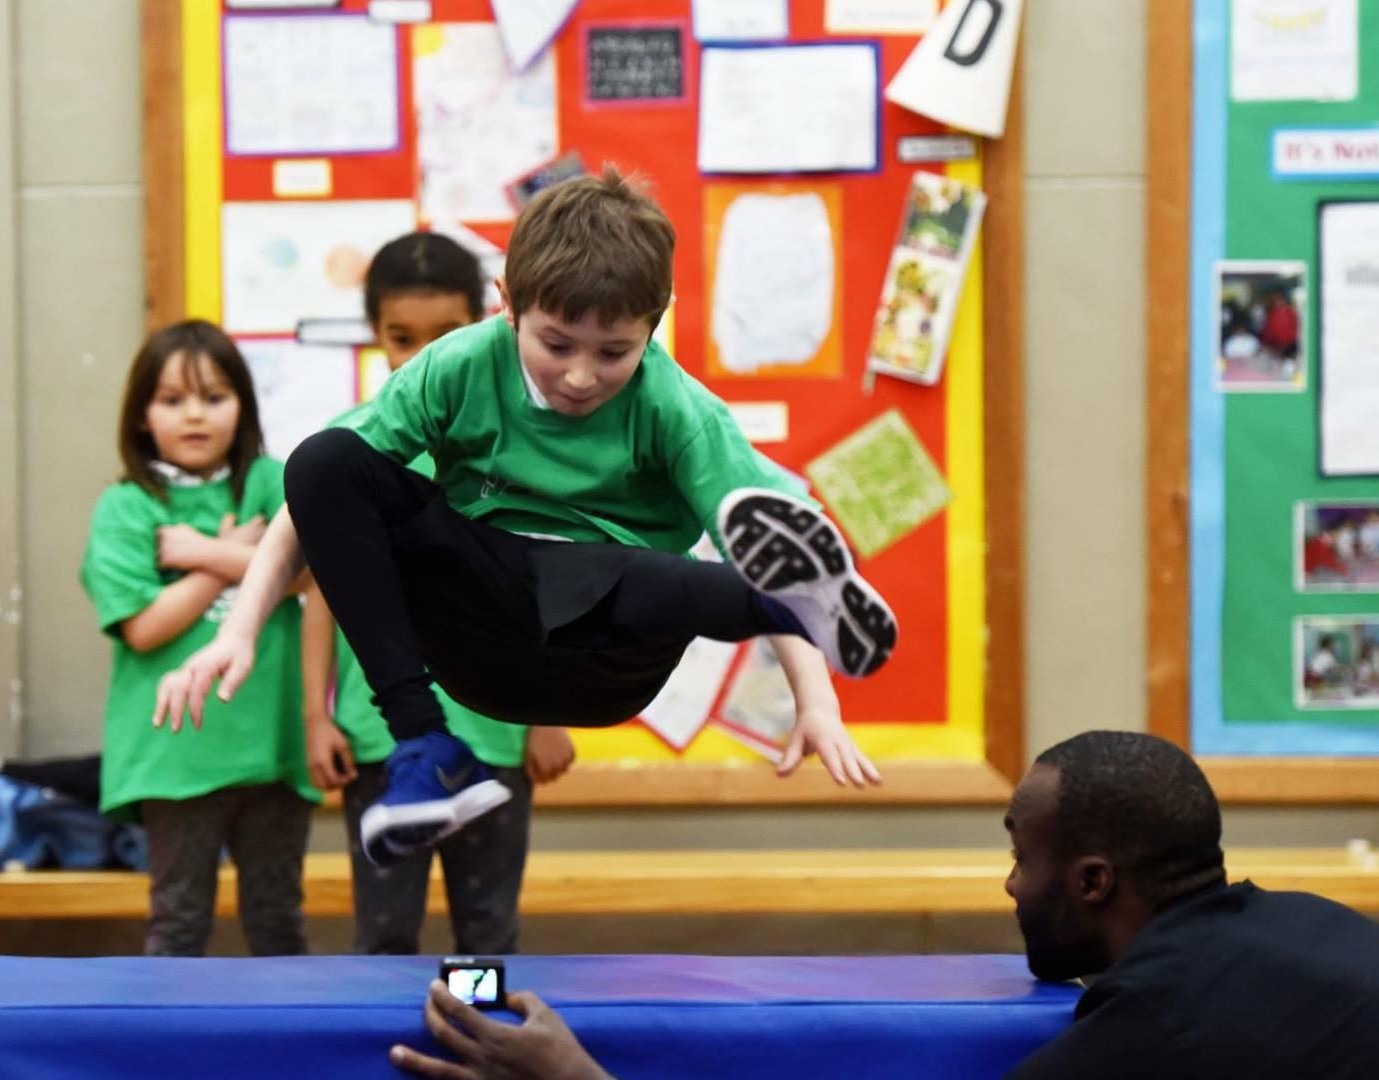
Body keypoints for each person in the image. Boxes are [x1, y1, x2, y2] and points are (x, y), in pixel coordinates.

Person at [154, 169, 897, 866]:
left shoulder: (676, 409)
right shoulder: (457, 367)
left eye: (614, 352)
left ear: (655, 323)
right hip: (478, 629)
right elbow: (307, 506)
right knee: (324, 461)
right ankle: (425, 749)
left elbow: (771, 538)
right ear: (507, 303)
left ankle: (787, 610)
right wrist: (240, 628)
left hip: (607, 654)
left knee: (657, 571)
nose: (581, 376)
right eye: (556, 344)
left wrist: (818, 699)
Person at [388, 732, 1379, 1080]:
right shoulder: (1307, 927)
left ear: (1092, 882)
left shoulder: (1165, 1020)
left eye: (1020, 857)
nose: (1007, 885)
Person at [301, 232, 574, 956]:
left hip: (497, 732)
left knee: (485, 932)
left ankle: (478, 1050)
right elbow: (323, 590)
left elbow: (544, 577)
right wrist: (314, 716)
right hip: (381, 739)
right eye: (400, 337)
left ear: (487, 322)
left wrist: (547, 715)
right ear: (375, 334)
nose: (420, 356)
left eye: (444, 334)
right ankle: (392, 1059)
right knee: (385, 930)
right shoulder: (352, 444)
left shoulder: (514, 446)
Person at [81, 320, 319, 958]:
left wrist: (201, 550)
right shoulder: (127, 506)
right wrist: (236, 554)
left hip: (273, 750)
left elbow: (312, 577)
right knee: (179, 925)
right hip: (174, 756)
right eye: (172, 400)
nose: (195, 416)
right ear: (141, 416)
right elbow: (145, 625)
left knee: (278, 924)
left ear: (242, 407)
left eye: (213, 398)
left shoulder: (271, 481)